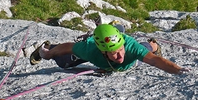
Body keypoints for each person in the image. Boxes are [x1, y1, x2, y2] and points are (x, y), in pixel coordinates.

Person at [30, 24, 189, 75]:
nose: (119, 56)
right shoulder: (90, 49)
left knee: (146, 49)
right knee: (64, 63)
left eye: (120, 50)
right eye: (114, 53)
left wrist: (179, 70)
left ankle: (154, 44)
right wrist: (47, 53)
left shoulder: (130, 47)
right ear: (103, 51)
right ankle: (50, 46)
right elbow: (70, 47)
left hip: (131, 61)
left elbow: (155, 60)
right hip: (96, 55)